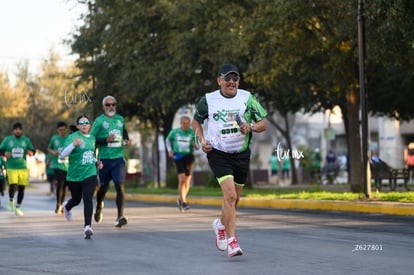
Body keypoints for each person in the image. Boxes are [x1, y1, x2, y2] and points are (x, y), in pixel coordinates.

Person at [192, 64, 267, 257]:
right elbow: (196, 121)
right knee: (231, 196)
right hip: (218, 152)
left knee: (234, 199)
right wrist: (201, 140)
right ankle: (232, 241)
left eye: (235, 79)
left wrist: (250, 126)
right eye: (227, 79)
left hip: (241, 154)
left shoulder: (247, 98)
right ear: (219, 81)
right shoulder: (208, 100)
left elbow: (263, 123)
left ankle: (220, 226)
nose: (231, 82)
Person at [90, 95, 132, 227]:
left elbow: (124, 131)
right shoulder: (99, 121)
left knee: (120, 186)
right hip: (104, 160)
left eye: (113, 104)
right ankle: (99, 206)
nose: (111, 107)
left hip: (118, 159)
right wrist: (104, 140)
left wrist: (126, 139)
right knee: (103, 187)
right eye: (108, 105)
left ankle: (120, 216)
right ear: (103, 107)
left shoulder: (120, 119)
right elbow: (90, 139)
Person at [60, 115, 103, 239]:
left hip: (90, 173)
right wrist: (73, 145)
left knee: (88, 198)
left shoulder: (92, 138)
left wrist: (97, 162)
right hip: (74, 175)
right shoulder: (72, 137)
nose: (84, 125)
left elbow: (90, 155)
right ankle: (67, 206)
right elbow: (63, 154)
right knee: (77, 199)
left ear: (90, 125)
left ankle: (87, 227)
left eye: (86, 122)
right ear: (78, 126)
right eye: (81, 123)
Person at [0, 122, 35, 216]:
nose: (18, 131)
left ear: (22, 131)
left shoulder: (26, 140)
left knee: (21, 188)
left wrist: (31, 152)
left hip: (23, 167)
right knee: (13, 185)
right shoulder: (7, 139)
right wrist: (4, 154)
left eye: (20, 129)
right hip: (11, 167)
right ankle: (11, 200)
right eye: (16, 129)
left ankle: (18, 207)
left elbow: (33, 150)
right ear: (13, 131)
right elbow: (1, 150)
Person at [165, 116, 199, 211]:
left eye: (187, 123)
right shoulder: (175, 132)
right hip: (178, 156)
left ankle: (181, 199)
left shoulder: (192, 132)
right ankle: (183, 202)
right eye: (184, 123)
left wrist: (195, 145)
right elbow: (167, 140)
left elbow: (197, 146)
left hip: (189, 157)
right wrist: (170, 150)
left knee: (187, 181)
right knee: (182, 179)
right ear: (181, 124)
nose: (186, 125)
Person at [47, 121, 69, 214]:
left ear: (66, 129)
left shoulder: (70, 138)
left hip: (68, 166)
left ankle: (62, 204)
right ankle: (58, 204)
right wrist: (53, 152)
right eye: (60, 130)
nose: (62, 132)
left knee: (64, 186)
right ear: (57, 130)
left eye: (64, 130)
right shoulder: (54, 138)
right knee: (60, 183)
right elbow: (49, 148)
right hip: (57, 165)